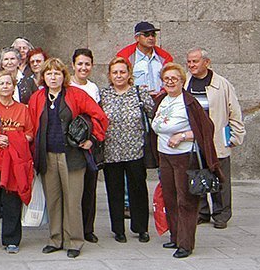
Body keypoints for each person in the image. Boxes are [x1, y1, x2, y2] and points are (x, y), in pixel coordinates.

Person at [28, 57, 109, 258]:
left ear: (64, 76)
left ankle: (74, 241)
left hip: (72, 156)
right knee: (53, 199)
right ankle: (56, 239)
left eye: (57, 73)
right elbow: (32, 126)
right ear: (43, 77)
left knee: (73, 200)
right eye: (49, 73)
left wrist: (92, 139)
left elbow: (100, 116)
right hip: (48, 155)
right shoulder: (37, 98)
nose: (53, 77)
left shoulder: (76, 94)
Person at [151, 63, 222, 258]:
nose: (170, 82)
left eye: (174, 78)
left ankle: (185, 244)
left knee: (186, 200)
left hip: (184, 156)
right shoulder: (162, 100)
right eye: (166, 79)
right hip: (164, 154)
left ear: (182, 81)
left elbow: (206, 128)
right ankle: (175, 236)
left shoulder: (189, 102)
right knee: (170, 197)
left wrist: (182, 136)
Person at [186, 48, 245, 229]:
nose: (191, 65)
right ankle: (201, 212)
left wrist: (236, 135)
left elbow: (234, 111)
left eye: (195, 61)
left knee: (220, 176)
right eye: (189, 62)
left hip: (216, 137)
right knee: (197, 175)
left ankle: (221, 214)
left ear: (206, 62)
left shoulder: (222, 84)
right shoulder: (185, 82)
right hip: (193, 139)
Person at [99, 56, 155, 243]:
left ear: (129, 73)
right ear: (109, 75)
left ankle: (141, 228)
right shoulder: (104, 95)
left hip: (135, 150)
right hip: (111, 151)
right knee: (114, 190)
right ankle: (118, 229)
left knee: (138, 190)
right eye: (115, 72)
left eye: (122, 72)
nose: (119, 75)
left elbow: (153, 113)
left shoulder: (139, 93)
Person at [0, 69, 36, 253]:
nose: (5, 86)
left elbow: (30, 134)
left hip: (13, 164)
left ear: (13, 86)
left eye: (8, 83)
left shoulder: (22, 110)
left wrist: (12, 140)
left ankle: (11, 239)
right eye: (1, 83)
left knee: (12, 202)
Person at [70, 48, 101, 242]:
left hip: (88, 143)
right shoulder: (66, 85)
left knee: (89, 186)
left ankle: (87, 228)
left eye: (87, 64)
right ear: (73, 65)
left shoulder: (93, 88)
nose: (83, 67)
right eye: (80, 63)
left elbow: (98, 117)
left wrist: (93, 139)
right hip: (69, 144)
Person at [117, 21, 174, 96]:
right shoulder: (125, 56)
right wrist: (136, 92)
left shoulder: (165, 57)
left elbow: (172, 77)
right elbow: (119, 82)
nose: (151, 38)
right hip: (135, 99)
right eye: (146, 35)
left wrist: (163, 91)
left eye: (153, 35)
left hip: (161, 98)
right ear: (137, 38)